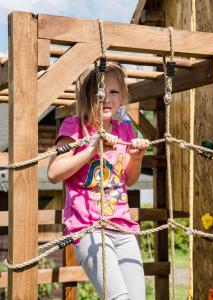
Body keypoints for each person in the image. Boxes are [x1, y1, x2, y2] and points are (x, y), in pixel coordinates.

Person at [47, 62, 148, 300]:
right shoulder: (75, 128)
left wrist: (138, 157)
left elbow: (130, 180)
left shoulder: (125, 131)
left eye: (113, 92)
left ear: (122, 97)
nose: (106, 99)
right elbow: (54, 173)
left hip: (122, 227)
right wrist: (92, 150)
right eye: (99, 92)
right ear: (87, 96)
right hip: (88, 228)